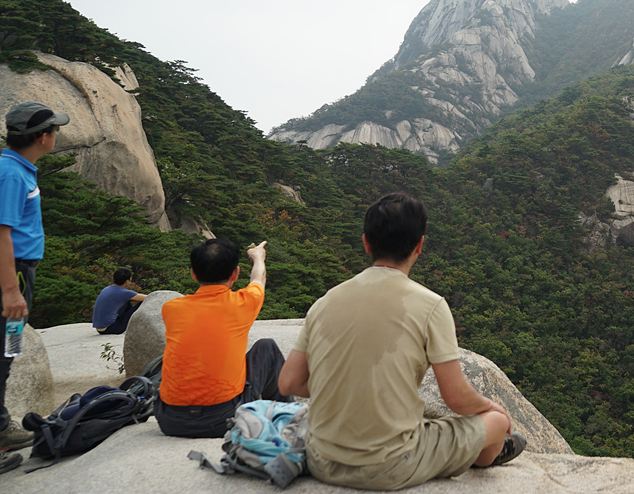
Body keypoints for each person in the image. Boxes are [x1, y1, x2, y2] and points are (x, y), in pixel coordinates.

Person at [278, 192, 525, 490]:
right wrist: (492, 406)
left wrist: (342, 385)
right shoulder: (430, 305)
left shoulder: (324, 302)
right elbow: (456, 398)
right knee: (496, 424)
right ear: (419, 245)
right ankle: (478, 454)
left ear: (366, 242)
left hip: (322, 460)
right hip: (390, 465)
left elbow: (288, 383)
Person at [155, 237, 291, 438]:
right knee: (266, 347)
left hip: (170, 420)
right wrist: (258, 258)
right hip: (223, 420)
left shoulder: (171, 308)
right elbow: (258, 279)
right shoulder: (243, 302)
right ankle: (287, 419)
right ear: (235, 273)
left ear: (193, 274)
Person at [0, 101, 69, 474]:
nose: (57, 134)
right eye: (54, 129)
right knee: (0, 353)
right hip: (12, 278)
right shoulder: (10, 173)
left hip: (21, 275)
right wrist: (10, 292)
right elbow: (1, 233)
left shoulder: (20, 169)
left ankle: (2, 426)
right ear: (42, 136)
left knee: (9, 350)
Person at [91, 268, 146, 335]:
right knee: (143, 302)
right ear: (127, 281)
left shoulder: (107, 289)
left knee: (126, 301)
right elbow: (149, 297)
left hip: (100, 329)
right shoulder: (124, 293)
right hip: (112, 328)